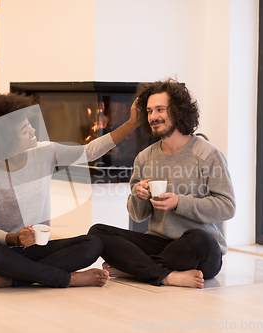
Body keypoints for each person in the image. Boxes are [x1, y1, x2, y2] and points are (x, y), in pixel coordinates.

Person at [0, 92, 139, 290]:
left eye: (29, 124)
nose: (33, 130)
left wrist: (131, 123)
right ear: (6, 140)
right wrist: (15, 238)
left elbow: (90, 151)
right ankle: (69, 279)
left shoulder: (45, 152)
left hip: (39, 250)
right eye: (25, 130)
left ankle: (14, 279)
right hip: (3, 253)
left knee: (93, 243)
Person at [88, 79, 235, 289]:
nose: (153, 117)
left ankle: (134, 269)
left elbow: (227, 206)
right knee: (98, 233)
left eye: (160, 109)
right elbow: (138, 215)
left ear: (177, 111)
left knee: (200, 239)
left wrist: (179, 203)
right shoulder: (144, 157)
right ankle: (166, 275)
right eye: (149, 111)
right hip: (160, 243)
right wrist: (138, 196)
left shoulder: (208, 154)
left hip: (198, 249)